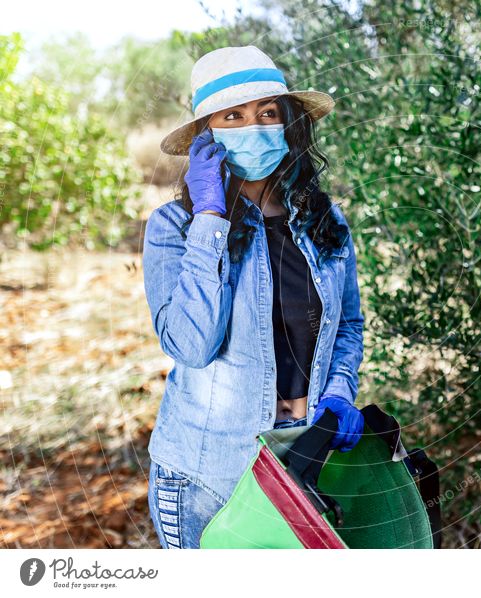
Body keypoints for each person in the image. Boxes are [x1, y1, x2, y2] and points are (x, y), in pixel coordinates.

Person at [142, 46, 365, 549]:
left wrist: (339, 390)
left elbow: (348, 324)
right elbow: (191, 346)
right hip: (208, 478)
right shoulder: (172, 228)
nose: (254, 125)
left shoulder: (325, 220)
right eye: (233, 116)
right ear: (208, 134)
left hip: (305, 462)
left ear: (289, 124)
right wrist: (210, 219)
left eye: (268, 112)